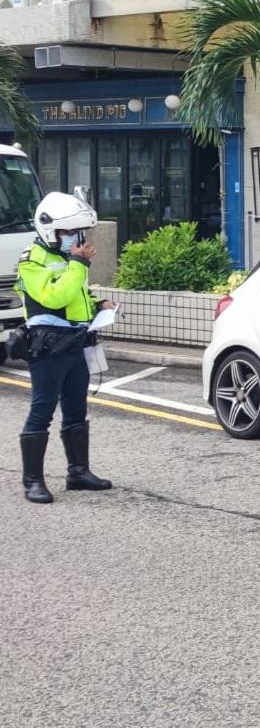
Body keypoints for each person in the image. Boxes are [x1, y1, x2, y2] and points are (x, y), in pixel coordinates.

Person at [16, 191, 113, 505]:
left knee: (76, 409)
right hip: (47, 349)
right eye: (69, 233)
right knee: (41, 411)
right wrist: (78, 264)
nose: (76, 238)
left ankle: (78, 472)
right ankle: (32, 481)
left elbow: (73, 301)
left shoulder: (67, 260)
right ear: (50, 230)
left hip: (75, 344)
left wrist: (99, 306)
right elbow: (53, 298)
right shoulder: (32, 261)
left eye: (78, 233)